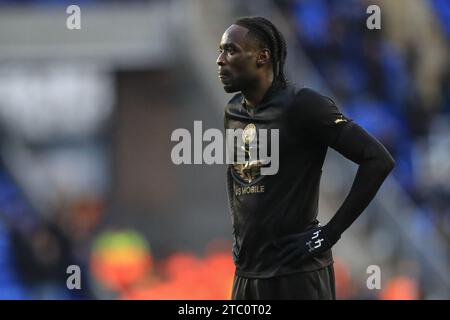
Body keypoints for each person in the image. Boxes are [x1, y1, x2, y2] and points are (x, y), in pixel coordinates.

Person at [217, 16, 395, 300]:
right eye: (220, 50)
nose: (220, 60)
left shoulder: (303, 105)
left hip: (297, 275)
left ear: (262, 57)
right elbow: (236, 173)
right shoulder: (233, 110)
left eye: (231, 50)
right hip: (248, 275)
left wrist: (330, 233)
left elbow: (377, 159)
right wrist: (239, 236)